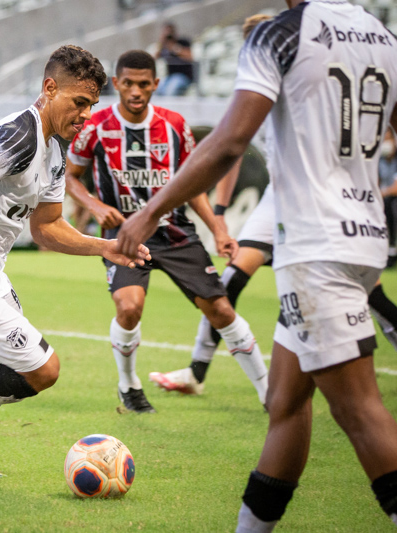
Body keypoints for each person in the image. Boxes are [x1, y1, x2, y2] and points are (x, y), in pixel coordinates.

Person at [115, 1, 397, 529]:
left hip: (316, 245)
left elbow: (230, 141)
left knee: (359, 411)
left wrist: (150, 212)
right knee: (285, 404)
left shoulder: (278, 35)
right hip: (363, 233)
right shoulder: (379, 33)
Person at [0, 45, 150, 476]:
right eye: (79, 102)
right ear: (49, 88)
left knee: (9, 370)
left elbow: (47, 228)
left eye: (92, 105)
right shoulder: (19, 135)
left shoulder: (55, 150)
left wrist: (105, 246)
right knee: (42, 369)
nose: (85, 115)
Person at [150, 15, 397, 396]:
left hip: (322, 203)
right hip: (280, 199)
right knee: (229, 281)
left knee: (371, 299)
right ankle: (197, 371)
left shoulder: (297, 83)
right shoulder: (258, 89)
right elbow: (235, 150)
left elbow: (229, 146)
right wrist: (219, 211)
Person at [65, 50, 268, 412]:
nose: (136, 91)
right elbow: (70, 175)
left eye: (144, 83)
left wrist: (218, 230)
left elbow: (194, 187)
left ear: (156, 84)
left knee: (220, 310)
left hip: (174, 231)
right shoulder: (96, 125)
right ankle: (129, 385)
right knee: (129, 308)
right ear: (117, 84)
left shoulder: (175, 125)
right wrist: (95, 206)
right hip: (125, 235)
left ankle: (270, 394)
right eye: (128, 83)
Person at [154, 22, 194, 96]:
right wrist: (161, 43)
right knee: (155, 88)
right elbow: (154, 58)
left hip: (183, 76)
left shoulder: (183, 42)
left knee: (170, 91)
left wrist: (175, 48)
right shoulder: (164, 46)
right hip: (170, 77)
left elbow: (191, 57)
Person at [380, 127, 397, 266]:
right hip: (383, 198)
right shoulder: (379, 161)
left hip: (392, 199)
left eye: (388, 138)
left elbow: (395, 189)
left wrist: (381, 192)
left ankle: (392, 249)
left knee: (390, 206)